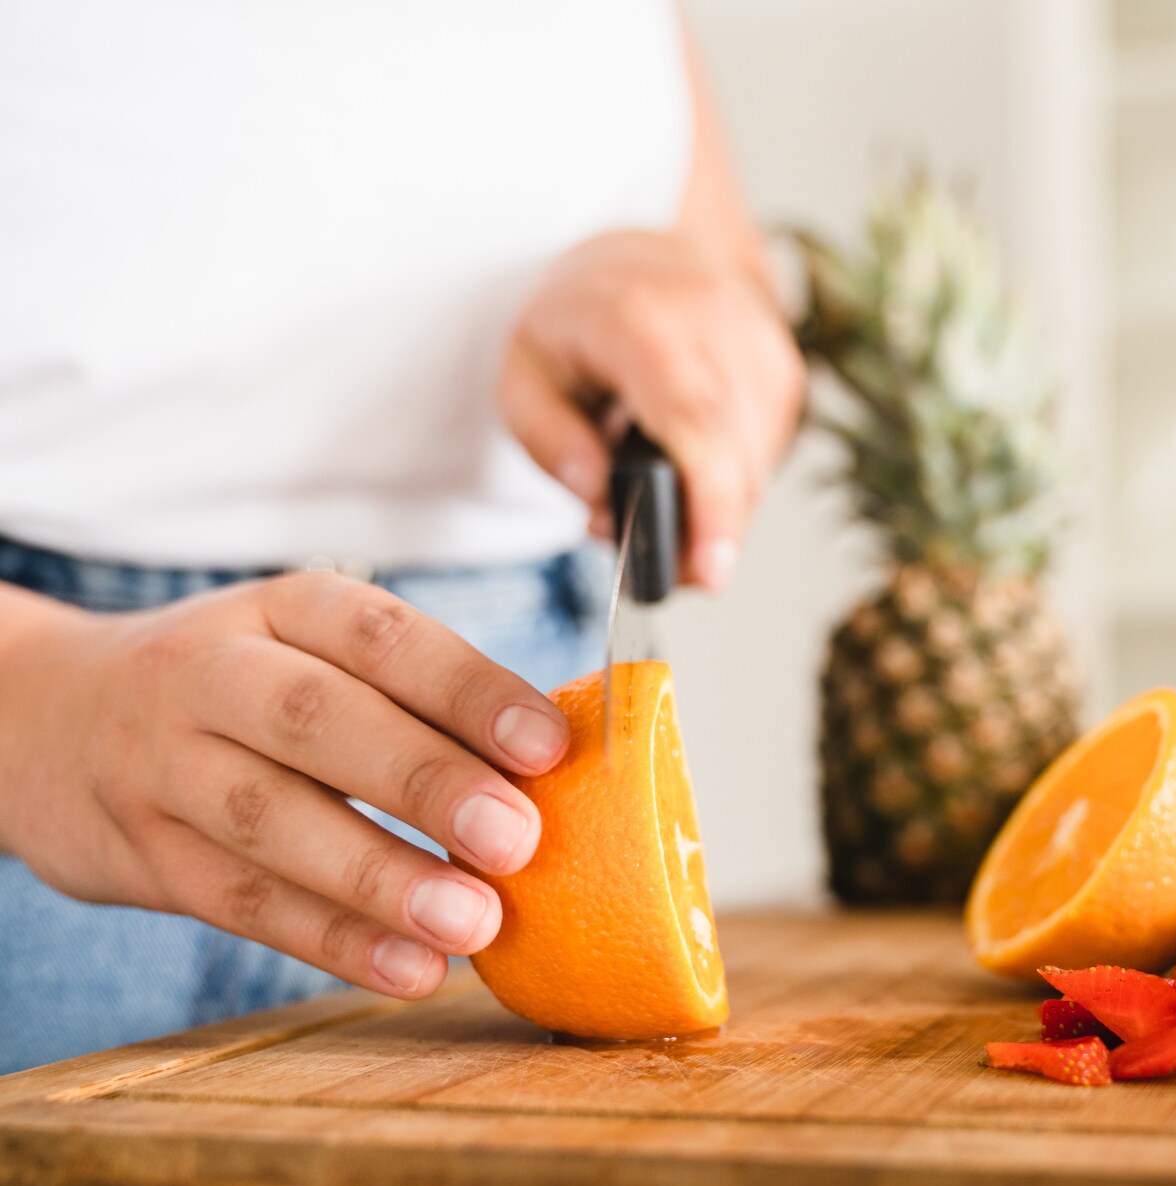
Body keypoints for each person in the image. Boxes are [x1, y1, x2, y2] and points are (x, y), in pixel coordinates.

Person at [0, 2, 803, 1074]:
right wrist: (33, 705)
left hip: (526, 712)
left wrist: (684, 295)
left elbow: (713, 238)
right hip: (49, 754)